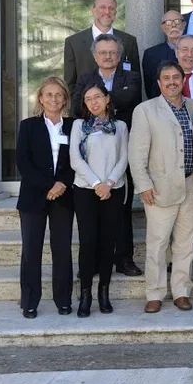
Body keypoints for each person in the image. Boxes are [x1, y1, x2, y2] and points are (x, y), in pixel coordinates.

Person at [129, 61, 193, 314]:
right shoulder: (145, 110)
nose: (172, 82)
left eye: (176, 77)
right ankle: (155, 293)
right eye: (166, 78)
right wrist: (143, 185)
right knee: (158, 243)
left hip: (191, 184)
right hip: (160, 187)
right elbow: (137, 153)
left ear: (183, 80)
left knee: (186, 241)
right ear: (159, 83)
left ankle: (181, 291)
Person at [72, 33, 142, 278]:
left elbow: (131, 97)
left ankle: (124, 258)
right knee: (91, 219)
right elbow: (75, 106)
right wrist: (108, 100)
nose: (108, 56)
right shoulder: (85, 77)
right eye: (103, 52)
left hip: (122, 147)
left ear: (119, 54)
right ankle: (91, 263)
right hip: (91, 153)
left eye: (112, 52)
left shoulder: (131, 76)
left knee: (122, 210)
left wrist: (100, 101)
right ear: (94, 56)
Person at [15, 76, 75, 319]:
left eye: (58, 95)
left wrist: (62, 184)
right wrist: (49, 185)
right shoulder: (28, 126)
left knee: (62, 250)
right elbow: (23, 163)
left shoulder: (73, 126)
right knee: (31, 250)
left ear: (64, 99)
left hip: (63, 196)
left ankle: (63, 300)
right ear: (40, 98)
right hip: (33, 197)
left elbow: (78, 159)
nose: (54, 99)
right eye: (48, 94)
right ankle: (29, 301)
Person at [69, 82, 128, 318]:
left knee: (107, 244)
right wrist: (97, 184)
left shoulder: (121, 126)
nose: (93, 102)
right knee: (88, 243)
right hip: (85, 190)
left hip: (113, 190)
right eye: (88, 99)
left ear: (107, 99)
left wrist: (109, 183)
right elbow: (76, 159)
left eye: (97, 97)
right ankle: (86, 294)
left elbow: (124, 159)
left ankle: (104, 292)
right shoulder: (79, 126)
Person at [63, 0, 139, 95]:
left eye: (111, 8)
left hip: (121, 108)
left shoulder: (129, 41)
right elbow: (70, 83)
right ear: (93, 10)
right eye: (102, 7)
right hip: (85, 107)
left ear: (115, 12)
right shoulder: (73, 42)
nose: (107, 11)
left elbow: (136, 80)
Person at [142, 11, 193, 99]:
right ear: (162, 27)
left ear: (184, 25)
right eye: (168, 23)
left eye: (177, 21)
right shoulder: (151, 54)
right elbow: (149, 88)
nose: (173, 25)